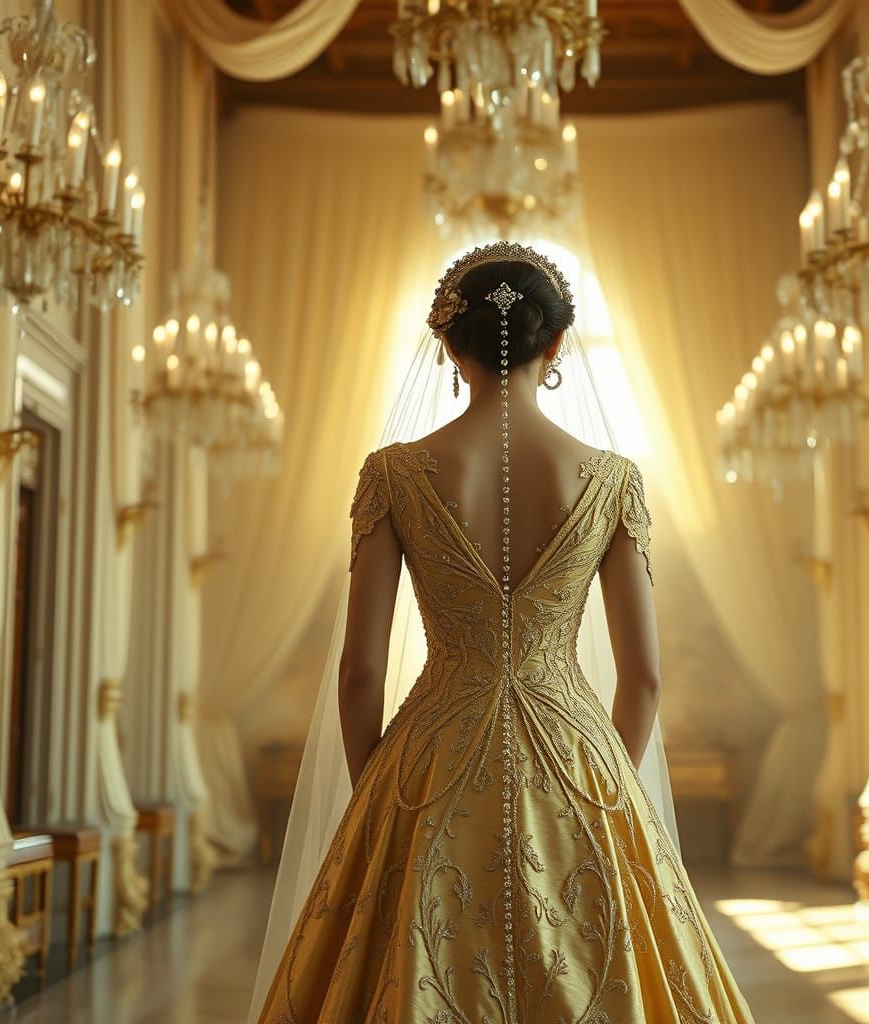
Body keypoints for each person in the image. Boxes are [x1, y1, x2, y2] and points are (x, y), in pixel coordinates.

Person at [252, 242, 755, 1023]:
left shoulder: (393, 473)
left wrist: (375, 800)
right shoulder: (614, 478)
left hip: (430, 756)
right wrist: (608, 792)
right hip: (580, 753)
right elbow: (644, 676)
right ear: (556, 345)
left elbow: (360, 671)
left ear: (450, 346)